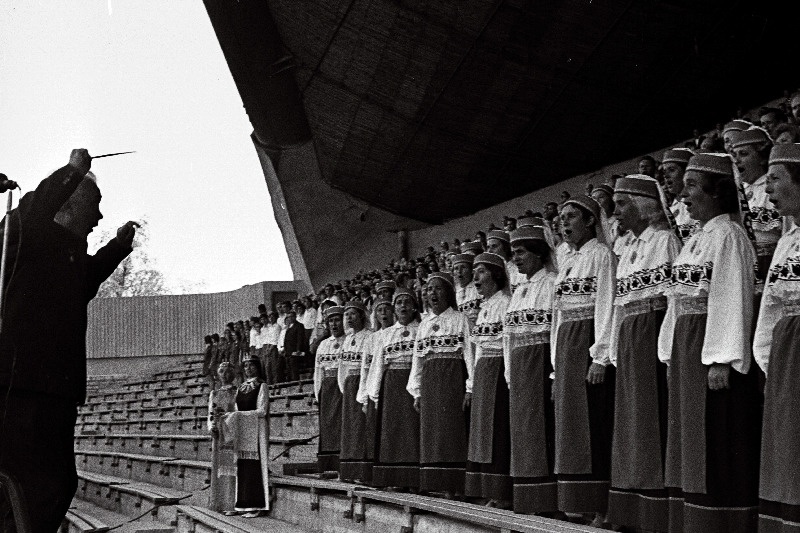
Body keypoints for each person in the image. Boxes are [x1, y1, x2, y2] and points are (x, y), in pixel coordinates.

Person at [0, 149, 136, 533]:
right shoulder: (25, 234)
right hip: (20, 390)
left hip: (56, 393)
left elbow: (85, 282)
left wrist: (117, 247)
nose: (99, 216)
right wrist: (71, 172)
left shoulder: (68, 254)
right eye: (95, 204)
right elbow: (29, 212)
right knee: (25, 486)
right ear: (68, 205)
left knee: (57, 485)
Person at [657, 153, 760, 532]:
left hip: (710, 347)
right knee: (687, 433)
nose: (683, 196)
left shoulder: (729, 235)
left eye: (691, 186)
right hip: (687, 346)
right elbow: (676, 299)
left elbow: (731, 294)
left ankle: (719, 522)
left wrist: (721, 358)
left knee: (716, 433)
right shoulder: (695, 239)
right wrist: (668, 350)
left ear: (717, 191)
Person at [604, 175, 681, 533]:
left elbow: (673, 297)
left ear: (643, 204)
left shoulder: (664, 241)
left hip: (654, 329)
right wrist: (615, 347)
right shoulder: (628, 249)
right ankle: (630, 507)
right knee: (630, 419)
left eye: (622, 203)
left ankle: (656, 511)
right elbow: (619, 304)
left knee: (653, 416)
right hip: (631, 335)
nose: (616, 211)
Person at [551, 195, 617, 527]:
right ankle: (576, 501)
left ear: (590, 221)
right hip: (566, 347)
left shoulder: (601, 255)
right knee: (571, 426)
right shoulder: (567, 261)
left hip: (588, 342)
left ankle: (601, 506)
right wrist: (555, 368)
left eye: (571, 217)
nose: (564, 223)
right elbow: (557, 316)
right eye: (561, 218)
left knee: (594, 421)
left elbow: (607, 303)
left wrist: (600, 356)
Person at [752, 143, 800, 531]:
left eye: (775, 179)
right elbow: (770, 305)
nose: (767, 189)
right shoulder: (786, 241)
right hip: (787, 355)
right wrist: (768, 359)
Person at [503, 225, 558, 514]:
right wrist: (509, 372)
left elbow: (556, 329)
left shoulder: (552, 283)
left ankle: (548, 500)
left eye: (521, 252)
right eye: (513, 253)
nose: (516, 258)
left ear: (538, 253)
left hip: (541, 360)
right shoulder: (519, 291)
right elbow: (509, 335)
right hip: (520, 365)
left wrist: (553, 370)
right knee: (523, 430)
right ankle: (527, 498)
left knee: (542, 426)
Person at [407, 272, 474, 497]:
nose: (432, 293)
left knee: (452, 430)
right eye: (428, 289)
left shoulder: (460, 319)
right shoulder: (424, 325)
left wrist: (470, 386)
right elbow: (418, 360)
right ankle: (436, 482)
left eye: (437, 288)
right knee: (432, 432)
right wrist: (417, 391)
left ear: (448, 292)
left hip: (453, 379)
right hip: (430, 382)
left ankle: (455, 485)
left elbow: (469, 354)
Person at [465, 253, 512, 508]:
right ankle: (487, 489)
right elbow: (478, 349)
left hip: (498, 369)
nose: (476, 277)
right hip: (483, 371)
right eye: (474, 272)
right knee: (482, 431)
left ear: (495, 274)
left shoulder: (505, 303)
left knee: (498, 429)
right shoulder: (483, 308)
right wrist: (472, 385)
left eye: (481, 271)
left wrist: (508, 376)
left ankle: (501, 492)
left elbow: (507, 343)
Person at [367, 289, 421, 490]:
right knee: (394, 430)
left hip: (414, 382)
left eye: (407, 302)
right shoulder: (386, 334)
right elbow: (378, 365)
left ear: (414, 307)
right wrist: (374, 394)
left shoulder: (421, 329)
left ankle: (416, 480)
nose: (403, 306)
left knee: (414, 430)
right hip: (392, 384)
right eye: (399, 303)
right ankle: (396, 478)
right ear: (394, 309)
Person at [220, 356, 270, 517]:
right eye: (246, 366)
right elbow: (236, 408)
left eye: (251, 365)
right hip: (242, 430)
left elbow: (262, 410)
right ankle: (242, 504)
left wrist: (239, 415)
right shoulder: (240, 388)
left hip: (257, 430)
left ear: (258, 367)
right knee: (242, 466)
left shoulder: (262, 386)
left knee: (254, 466)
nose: (248, 368)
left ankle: (256, 505)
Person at [731, 127, 781, 284]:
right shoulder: (738, 192)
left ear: (762, 157)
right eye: (734, 155)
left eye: (743, 154)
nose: (737, 160)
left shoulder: (774, 187)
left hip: (771, 262)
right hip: (744, 265)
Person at [338, 300, 374, 483]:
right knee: (350, 428)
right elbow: (342, 367)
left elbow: (369, 367)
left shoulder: (370, 336)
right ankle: (350, 471)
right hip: (349, 384)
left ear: (361, 315)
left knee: (362, 427)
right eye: (347, 314)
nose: (349, 318)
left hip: (363, 382)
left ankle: (363, 472)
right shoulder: (347, 339)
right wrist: (343, 387)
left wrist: (365, 390)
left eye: (353, 314)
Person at [314, 306, 345, 473]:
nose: (334, 324)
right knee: (328, 425)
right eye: (331, 321)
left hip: (342, 386)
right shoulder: (323, 345)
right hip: (327, 387)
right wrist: (317, 392)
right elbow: (318, 371)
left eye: (337, 320)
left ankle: (343, 463)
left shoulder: (349, 340)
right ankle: (328, 465)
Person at [207, 362, 237, 513]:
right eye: (221, 371)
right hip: (218, 434)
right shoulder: (214, 393)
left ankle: (230, 503)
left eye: (227, 371)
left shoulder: (237, 392)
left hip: (231, 434)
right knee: (218, 468)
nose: (224, 374)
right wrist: (211, 426)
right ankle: (218, 503)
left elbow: (238, 411)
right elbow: (210, 413)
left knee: (230, 469)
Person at [662, 148, 699, 245]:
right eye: (664, 171)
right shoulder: (670, 210)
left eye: (671, 170)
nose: (666, 175)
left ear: (686, 173)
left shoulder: (700, 205)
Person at [452, 253, 481, 330]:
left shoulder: (479, 287)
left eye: (463, 267)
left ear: (471, 270)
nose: (459, 271)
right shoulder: (455, 293)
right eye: (456, 268)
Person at [282, 311, 309, 382]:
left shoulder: (299, 325)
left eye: (291, 316)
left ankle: (295, 383)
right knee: (289, 369)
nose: (290, 318)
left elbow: (300, 338)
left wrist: (298, 349)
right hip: (288, 351)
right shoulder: (289, 327)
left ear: (295, 317)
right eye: (289, 317)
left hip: (295, 351)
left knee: (294, 369)